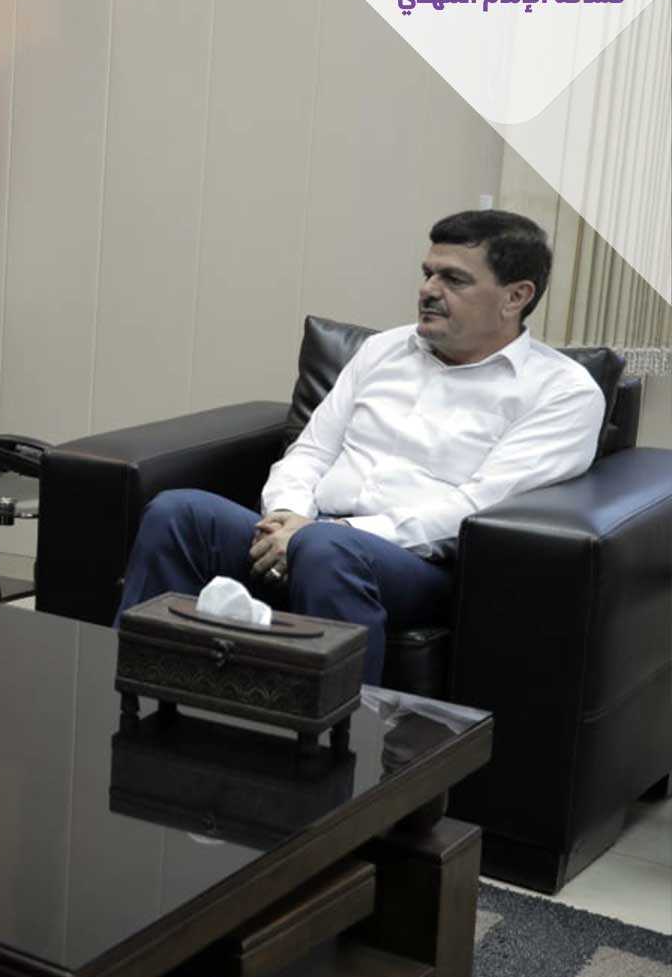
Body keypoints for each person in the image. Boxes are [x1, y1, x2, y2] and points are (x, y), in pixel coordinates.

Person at [118, 210, 608, 682]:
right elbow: (312, 451)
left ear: (515, 296)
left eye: (454, 280)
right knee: (177, 513)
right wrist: (287, 515)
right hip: (312, 531)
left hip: (419, 562)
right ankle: (135, 697)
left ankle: (338, 734)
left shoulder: (561, 392)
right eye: (428, 273)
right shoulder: (384, 350)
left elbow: (476, 506)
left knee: (326, 549)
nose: (428, 290)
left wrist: (325, 534)